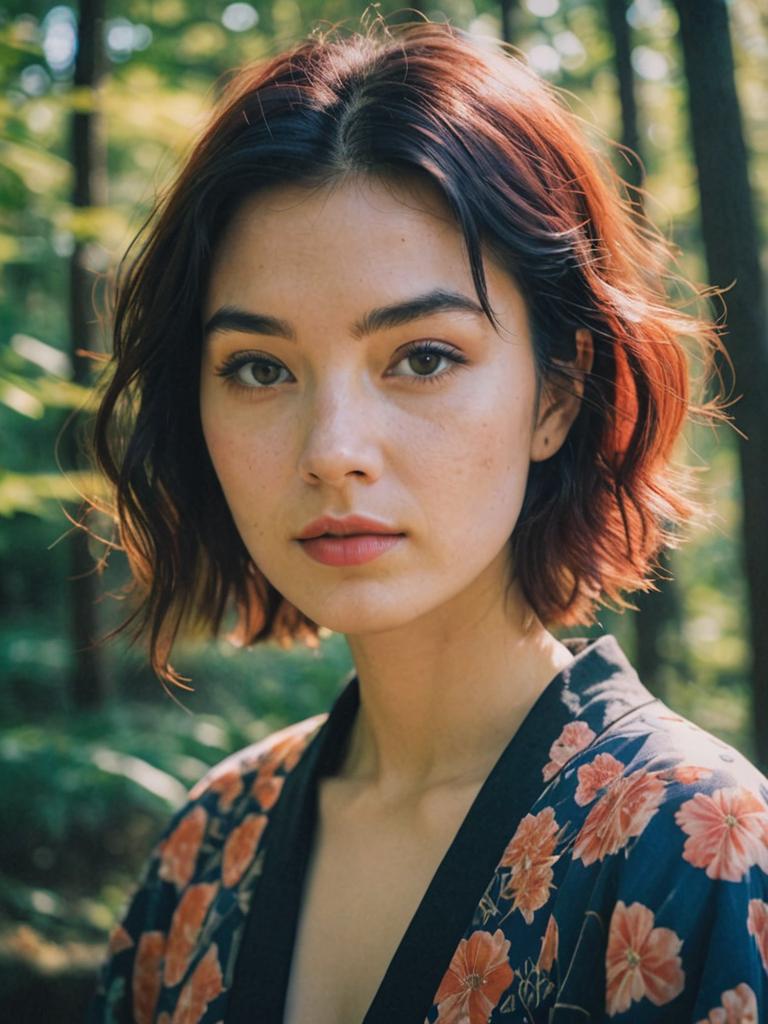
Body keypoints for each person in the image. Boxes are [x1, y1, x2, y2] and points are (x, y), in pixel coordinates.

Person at [85, 15, 768, 1024]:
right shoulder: (205, 847)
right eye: (260, 368)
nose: (333, 447)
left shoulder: (699, 848)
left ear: (556, 396)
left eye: (423, 356)